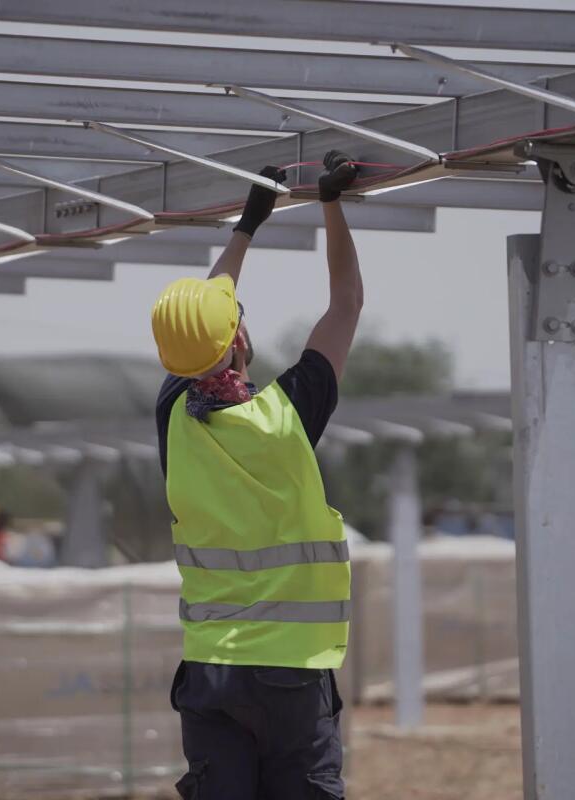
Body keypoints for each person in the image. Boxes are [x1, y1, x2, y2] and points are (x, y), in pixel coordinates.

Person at [150, 151, 363, 800]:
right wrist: (330, 205)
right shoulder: (285, 418)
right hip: (291, 680)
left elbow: (199, 330)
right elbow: (347, 303)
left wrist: (245, 225)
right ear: (240, 342)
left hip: (212, 675)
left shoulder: (174, 421)